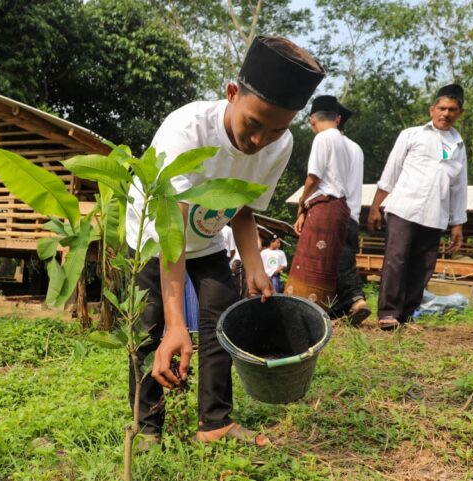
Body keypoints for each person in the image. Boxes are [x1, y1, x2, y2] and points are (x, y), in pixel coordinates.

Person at [125, 36, 324, 447]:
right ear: (232, 93)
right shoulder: (188, 131)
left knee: (220, 321)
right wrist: (177, 323)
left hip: (210, 238)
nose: (259, 141)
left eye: (276, 129)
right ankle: (147, 428)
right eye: (253, 124)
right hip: (156, 239)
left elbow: (245, 206)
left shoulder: (280, 143)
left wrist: (254, 265)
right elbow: (172, 233)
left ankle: (214, 424)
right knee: (152, 329)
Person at [368, 84, 467, 331]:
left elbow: (459, 187)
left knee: (423, 266)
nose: (446, 113)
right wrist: (375, 206)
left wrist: (458, 224)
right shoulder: (411, 134)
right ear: (431, 109)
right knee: (397, 259)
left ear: (460, 113)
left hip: (436, 214)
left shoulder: (459, 146)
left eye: (452, 109)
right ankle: (388, 312)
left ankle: (406, 314)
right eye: (442, 108)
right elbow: (390, 171)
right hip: (404, 207)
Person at [285, 95, 353, 310]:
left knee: (309, 261)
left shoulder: (323, 138)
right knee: (327, 263)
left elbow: (313, 177)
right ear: (338, 118)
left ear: (312, 120)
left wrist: (302, 202)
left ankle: (301, 309)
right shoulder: (345, 142)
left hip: (324, 206)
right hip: (340, 207)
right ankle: (322, 309)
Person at [329, 103, 370, 325]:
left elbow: (325, 180)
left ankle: (356, 298)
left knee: (339, 259)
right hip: (353, 212)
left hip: (335, 210)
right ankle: (339, 309)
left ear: (334, 120)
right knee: (341, 260)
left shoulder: (331, 144)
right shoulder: (356, 148)